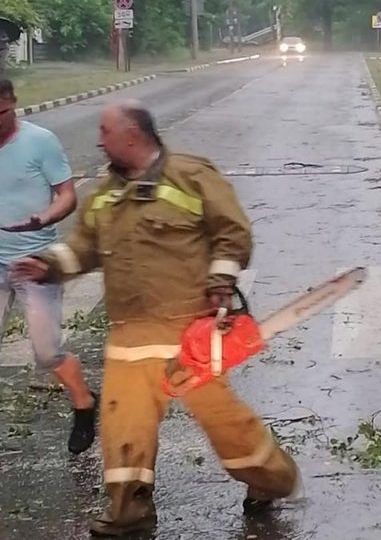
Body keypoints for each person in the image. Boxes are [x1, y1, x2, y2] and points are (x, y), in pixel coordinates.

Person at [12, 100, 299, 537]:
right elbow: (82, 249)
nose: (99, 140)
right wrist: (48, 264)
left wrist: (221, 282)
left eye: (105, 132)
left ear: (132, 135)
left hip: (189, 333)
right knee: (123, 427)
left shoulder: (190, 175)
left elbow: (231, 232)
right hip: (130, 334)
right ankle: (128, 514)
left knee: (227, 428)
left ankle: (272, 481)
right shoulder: (104, 195)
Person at [0, 78, 98, 454]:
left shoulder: (39, 141)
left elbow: (67, 195)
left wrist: (42, 219)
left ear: (12, 103)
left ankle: (85, 404)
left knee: (46, 352)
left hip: (35, 262)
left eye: (1, 113)